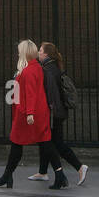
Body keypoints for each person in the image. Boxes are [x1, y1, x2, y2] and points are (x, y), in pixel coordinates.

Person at [0, 38, 68, 190]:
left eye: (20, 50)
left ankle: (7, 176)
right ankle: (60, 175)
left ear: (25, 52)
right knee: (45, 143)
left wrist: (29, 114)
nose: (18, 52)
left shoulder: (29, 70)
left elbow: (31, 93)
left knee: (18, 143)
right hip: (37, 112)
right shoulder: (35, 67)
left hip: (27, 114)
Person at [28, 41, 88, 186]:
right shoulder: (52, 67)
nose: (38, 53)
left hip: (53, 114)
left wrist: (48, 112)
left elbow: (51, 95)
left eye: (40, 51)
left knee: (55, 143)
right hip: (57, 112)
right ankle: (42, 172)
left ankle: (80, 167)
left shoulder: (48, 70)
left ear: (46, 54)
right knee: (45, 141)